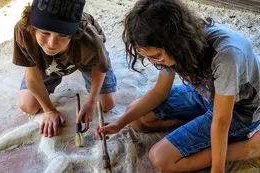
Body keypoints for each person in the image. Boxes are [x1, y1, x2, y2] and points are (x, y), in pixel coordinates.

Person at [96, 0, 260, 172]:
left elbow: (221, 121)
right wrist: (119, 123)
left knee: (161, 159)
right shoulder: (172, 47)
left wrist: (217, 169)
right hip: (206, 94)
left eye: (157, 56)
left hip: (241, 109)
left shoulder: (227, 56)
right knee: (137, 119)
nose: (153, 62)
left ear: (176, 44)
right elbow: (160, 91)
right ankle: (201, 124)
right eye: (148, 57)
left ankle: (249, 147)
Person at [13, 0, 116, 138]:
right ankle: (60, 62)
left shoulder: (89, 39)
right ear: (32, 24)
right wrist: (49, 110)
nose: (52, 44)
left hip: (84, 57)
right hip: (46, 63)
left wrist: (91, 101)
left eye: (62, 35)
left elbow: (100, 67)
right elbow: (32, 76)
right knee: (28, 106)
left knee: (106, 104)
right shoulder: (22, 30)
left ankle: (74, 59)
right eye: (44, 33)